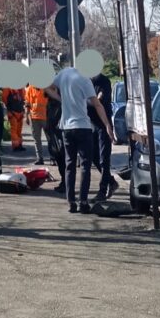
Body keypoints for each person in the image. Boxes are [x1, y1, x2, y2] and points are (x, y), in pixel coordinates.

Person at [46, 68, 113, 214]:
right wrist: (107, 125)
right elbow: (97, 104)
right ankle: (83, 202)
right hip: (83, 127)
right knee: (85, 166)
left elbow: (47, 87)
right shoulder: (85, 80)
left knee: (69, 165)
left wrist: (60, 99)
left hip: (66, 128)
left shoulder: (63, 74)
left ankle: (71, 202)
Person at [88, 72, 119, 202]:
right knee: (93, 156)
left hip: (104, 123)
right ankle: (111, 181)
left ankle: (102, 191)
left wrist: (86, 100)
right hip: (92, 123)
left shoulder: (104, 82)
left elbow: (99, 100)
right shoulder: (87, 81)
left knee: (104, 159)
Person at [45, 96, 66, 194]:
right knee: (59, 160)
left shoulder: (60, 104)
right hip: (53, 135)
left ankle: (65, 183)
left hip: (59, 135)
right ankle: (64, 182)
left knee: (62, 160)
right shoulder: (50, 104)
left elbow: (55, 121)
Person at [25, 84, 48, 165]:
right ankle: (40, 158)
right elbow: (27, 103)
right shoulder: (29, 89)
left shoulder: (46, 87)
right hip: (34, 117)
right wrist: (27, 116)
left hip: (46, 117)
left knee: (50, 139)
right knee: (37, 140)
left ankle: (53, 158)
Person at [2, 87, 26, 151]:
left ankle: (19, 144)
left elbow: (24, 97)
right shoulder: (8, 88)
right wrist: (8, 108)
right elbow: (4, 98)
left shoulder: (20, 88)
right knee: (14, 130)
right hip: (12, 112)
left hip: (19, 111)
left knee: (19, 130)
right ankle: (16, 146)